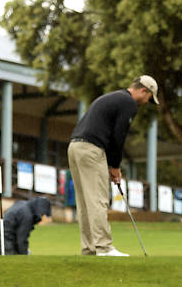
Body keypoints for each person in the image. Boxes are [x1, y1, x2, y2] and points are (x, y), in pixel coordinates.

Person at [67, 75, 159, 256]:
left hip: (75, 147)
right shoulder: (129, 103)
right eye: (149, 98)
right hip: (92, 149)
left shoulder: (115, 97)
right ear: (143, 90)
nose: (147, 102)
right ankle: (103, 247)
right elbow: (118, 137)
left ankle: (90, 248)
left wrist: (111, 164)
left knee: (85, 202)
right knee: (98, 199)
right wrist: (115, 166)